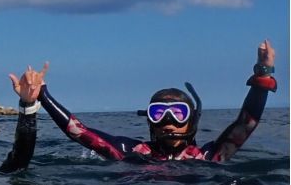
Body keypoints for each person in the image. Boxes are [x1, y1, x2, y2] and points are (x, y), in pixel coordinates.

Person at [37, 40, 278, 161]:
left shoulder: (208, 157)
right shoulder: (132, 153)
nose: (168, 122)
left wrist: (263, 74)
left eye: (179, 114)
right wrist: (42, 95)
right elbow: (80, 132)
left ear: (191, 120)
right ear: (150, 120)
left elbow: (246, 123)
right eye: (159, 113)